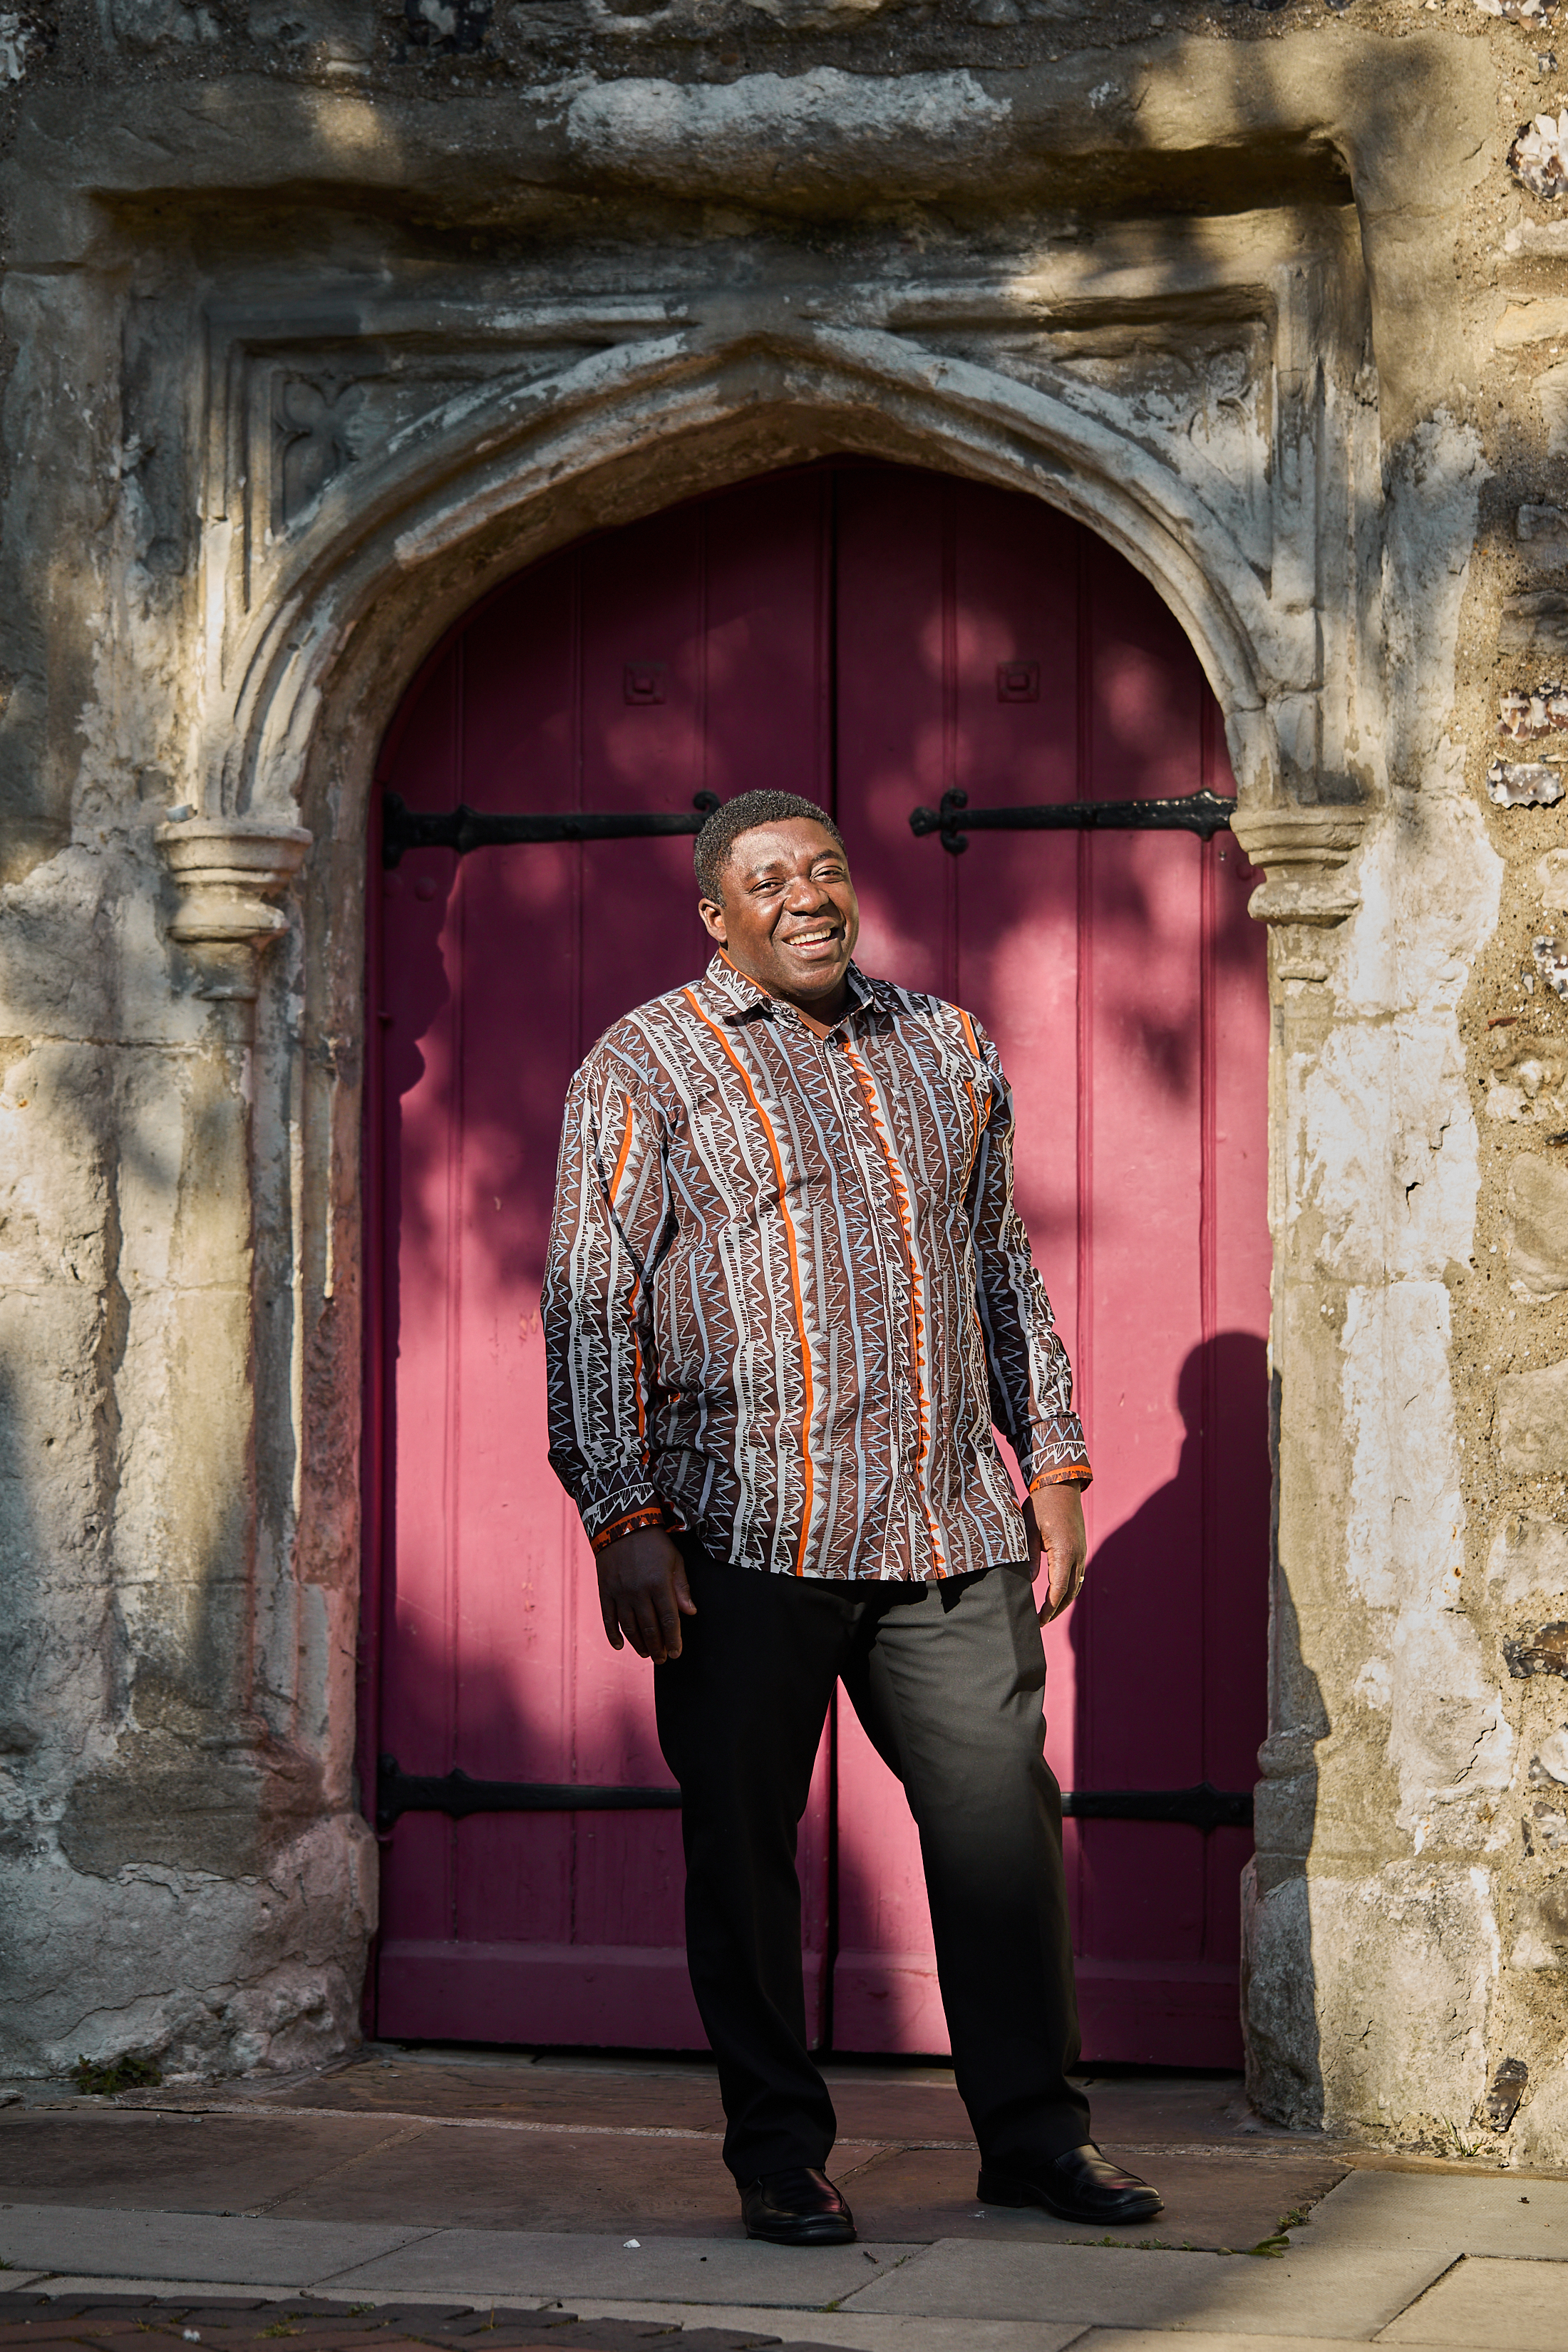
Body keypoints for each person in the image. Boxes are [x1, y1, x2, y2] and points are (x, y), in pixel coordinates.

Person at [543, 789, 1162, 2247]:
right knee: (743, 1853)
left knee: (999, 1830)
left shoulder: (943, 1044)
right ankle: (776, 2152)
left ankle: (1031, 2139)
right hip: (737, 1535)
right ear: (716, 915)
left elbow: (1000, 1267)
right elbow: (588, 1299)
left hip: (944, 1526)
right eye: (767, 881)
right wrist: (619, 1512)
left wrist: (1053, 1461)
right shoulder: (646, 1061)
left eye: (823, 868)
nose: (807, 896)